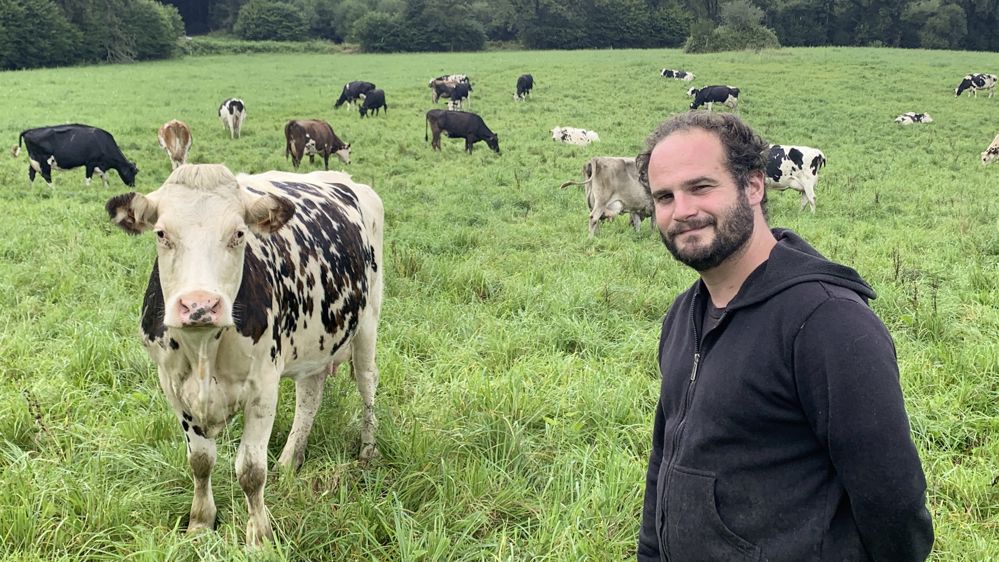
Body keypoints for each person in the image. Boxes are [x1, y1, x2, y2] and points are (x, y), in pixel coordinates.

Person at [634, 112, 933, 562]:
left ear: (754, 186)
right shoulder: (683, 315)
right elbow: (665, 457)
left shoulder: (828, 322)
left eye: (700, 187)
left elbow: (894, 502)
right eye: (664, 196)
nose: (682, 211)